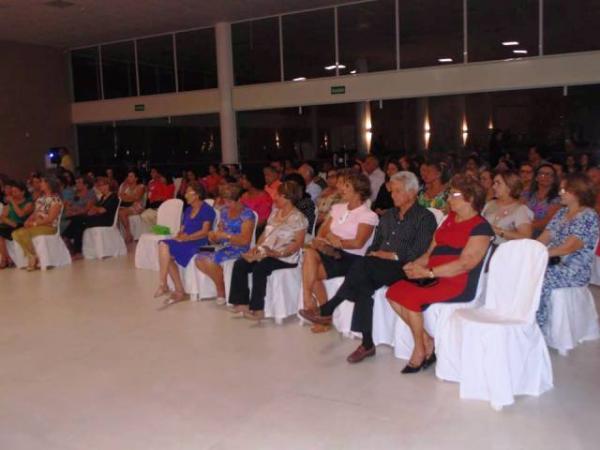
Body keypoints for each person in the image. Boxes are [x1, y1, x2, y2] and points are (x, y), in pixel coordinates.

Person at [299, 172, 437, 361]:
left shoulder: (425, 217)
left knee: (362, 266)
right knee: (363, 279)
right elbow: (375, 244)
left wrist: (389, 255)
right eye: (392, 191)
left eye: (398, 191)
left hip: (406, 267)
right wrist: (374, 253)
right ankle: (366, 343)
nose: (393, 195)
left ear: (412, 193)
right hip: (378, 265)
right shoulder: (389, 215)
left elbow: (420, 252)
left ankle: (329, 309)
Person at [386, 174, 494, 374]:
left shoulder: (481, 227)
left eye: (453, 194)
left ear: (470, 198)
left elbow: (466, 264)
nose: (448, 198)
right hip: (433, 275)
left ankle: (419, 349)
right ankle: (427, 339)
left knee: (410, 296)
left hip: (457, 282)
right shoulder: (450, 219)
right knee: (393, 292)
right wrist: (414, 266)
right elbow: (430, 252)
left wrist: (428, 272)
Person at [300, 172, 378, 320]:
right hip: (332, 251)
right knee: (310, 253)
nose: (341, 188)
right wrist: (323, 240)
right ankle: (313, 304)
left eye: (346, 186)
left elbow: (358, 243)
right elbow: (323, 231)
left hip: (353, 258)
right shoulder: (338, 208)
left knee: (311, 271)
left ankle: (318, 310)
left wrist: (338, 241)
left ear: (358, 191)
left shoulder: (368, 215)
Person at [228, 181, 308, 320]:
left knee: (260, 267)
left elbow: (298, 244)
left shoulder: (299, 218)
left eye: (278, 195)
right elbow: (265, 234)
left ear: (287, 197)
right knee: (240, 264)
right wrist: (257, 248)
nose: (274, 198)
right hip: (267, 253)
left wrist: (278, 253)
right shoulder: (275, 213)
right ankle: (241, 302)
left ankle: (258, 309)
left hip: (285, 257)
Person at [536, 173, 599, 332]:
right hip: (553, 262)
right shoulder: (561, 213)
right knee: (526, 270)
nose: (560, 193)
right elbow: (545, 236)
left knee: (540, 277)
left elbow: (570, 247)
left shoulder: (588, 216)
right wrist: (530, 250)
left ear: (578, 192)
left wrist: (540, 254)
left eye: (565, 190)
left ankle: (539, 327)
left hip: (574, 270)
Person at [154, 184, 216, 304]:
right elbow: (183, 228)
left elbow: (205, 232)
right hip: (186, 240)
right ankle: (169, 286)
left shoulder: (207, 210)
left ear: (197, 195)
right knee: (164, 247)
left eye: (189, 193)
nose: (185, 195)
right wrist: (179, 234)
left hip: (200, 243)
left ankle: (168, 286)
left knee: (166, 249)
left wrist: (188, 238)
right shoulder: (188, 210)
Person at [195, 184, 255, 305]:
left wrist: (226, 236)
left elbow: (245, 241)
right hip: (224, 246)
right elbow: (220, 234)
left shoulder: (247, 215)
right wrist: (214, 236)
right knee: (199, 255)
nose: (227, 204)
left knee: (208, 259)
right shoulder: (224, 212)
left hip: (239, 249)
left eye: (230, 202)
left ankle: (221, 290)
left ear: (239, 199)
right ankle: (221, 283)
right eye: (225, 201)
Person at [12, 175, 63, 271]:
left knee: (22, 233)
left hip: (49, 227)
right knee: (15, 233)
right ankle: (33, 255)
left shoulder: (55, 199)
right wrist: (27, 221)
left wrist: (35, 223)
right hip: (37, 225)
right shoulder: (40, 199)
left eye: (42, 182)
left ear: (49, 184)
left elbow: (50, 219)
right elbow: (35, 213)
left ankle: (32, 257)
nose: (40, 184)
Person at [63, 177, 120, 257]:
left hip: (106, 220)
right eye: (99, 186)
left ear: (108, 186)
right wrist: (94, 209)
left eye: (102, 185)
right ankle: (75, 248)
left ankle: (67, 237)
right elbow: (94, 209)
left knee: (78, 220)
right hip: (98, 218)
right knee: (78, 223)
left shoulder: (113, 197)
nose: (100, 188)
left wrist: (94, 209)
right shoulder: (103, 198)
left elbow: (102, 210)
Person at [482, 171, 533, 244]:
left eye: (498, 183)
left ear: (510, 187)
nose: (493, 187)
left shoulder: (520, 209)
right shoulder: (490, 204)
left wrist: (497, 231)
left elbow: (526, 237)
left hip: (505, 251)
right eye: (494, 183)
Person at [0, 182, 34, 268]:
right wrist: (10, 222)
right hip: (11, 225)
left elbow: (21, 214)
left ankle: (6, 260)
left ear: (22, 192)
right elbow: (3, 216)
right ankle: (6, 258)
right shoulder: (9, 204)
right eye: (12, 192)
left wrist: (12, 201)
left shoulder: (29, 203)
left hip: (23, 225)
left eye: (15, 191)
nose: (13, 194)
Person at [526, 163, 561, 237]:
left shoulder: (558, 199)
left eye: (549, 174)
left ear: (554, 179)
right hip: (523, 230)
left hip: (543, 235)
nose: (546, 177)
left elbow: (548, 222)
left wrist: (523, 226)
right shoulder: (527, 195)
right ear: (536, 177)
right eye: (542, 174)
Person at [239, 171, 272, 237]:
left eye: (244, 179)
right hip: (243, 227)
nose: (241, 181)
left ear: (252, 181)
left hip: (256, 231)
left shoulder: (264, 197)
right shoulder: (244, 195)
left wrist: (246, 228)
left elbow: (262, 221)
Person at [118, 170, 146, 243]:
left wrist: (126, 197)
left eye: (131, 176)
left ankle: (128, 234)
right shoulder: (125, 187)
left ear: (136, 178)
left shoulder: (141, 186)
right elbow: (119, 197)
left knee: (121, 212)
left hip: (137, 207)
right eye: (128, 176)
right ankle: (120, 236)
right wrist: (127, 196)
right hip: (126, 206)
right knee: (116, 211)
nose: (128, 178)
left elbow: (136, 198)